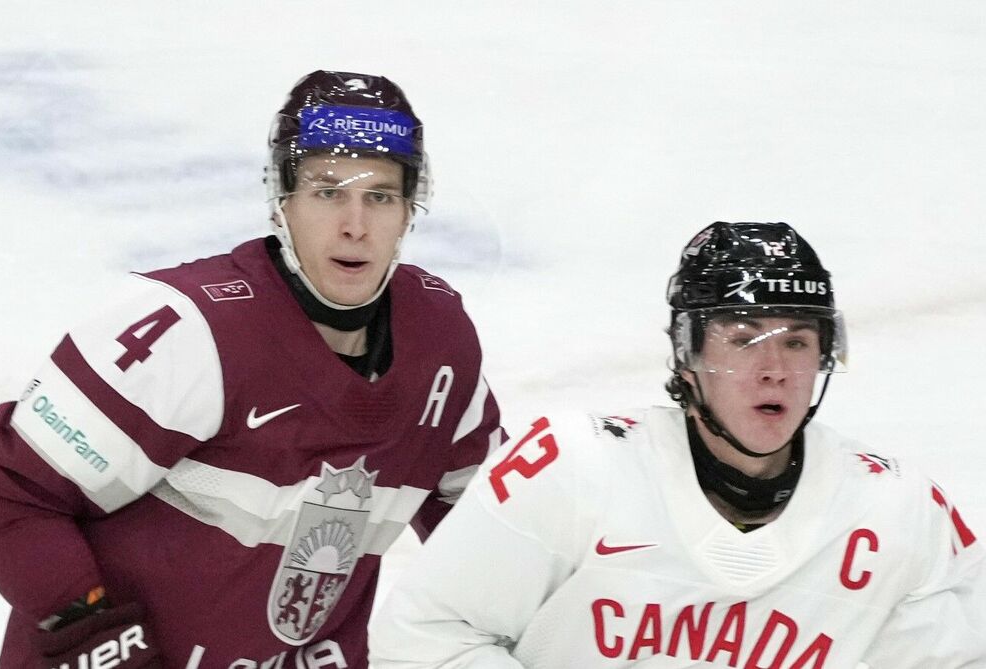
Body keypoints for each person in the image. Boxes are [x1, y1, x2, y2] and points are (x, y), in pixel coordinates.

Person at [0, 70, 504, 669]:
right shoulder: (189, 330)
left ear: (408, 210)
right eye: (327, 192)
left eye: (381, 196)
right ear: (282, 201)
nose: (355, 225)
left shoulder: (440, 343)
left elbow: (494, 532)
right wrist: (90, 630)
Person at [369, 222, 985, 668]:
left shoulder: (901, 515)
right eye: (742, 338)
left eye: (797, 342)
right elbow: (422, 638)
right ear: (687, 355)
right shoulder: (571, 470)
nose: (773, 368)